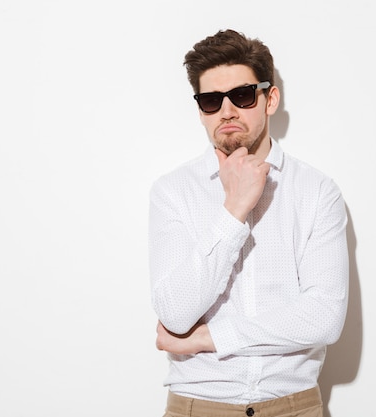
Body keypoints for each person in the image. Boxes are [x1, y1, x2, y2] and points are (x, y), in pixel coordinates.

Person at [148, 29, 349, 417]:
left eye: (241, 96)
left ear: (269, 99)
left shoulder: (316, 191)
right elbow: (173, 312)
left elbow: (324, 317)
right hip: (198, 408)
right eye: (211, 100)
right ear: (200, 109)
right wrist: (234, 210)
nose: (227, 112)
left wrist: (210, 338)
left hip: (294, 407)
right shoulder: (173, 192)